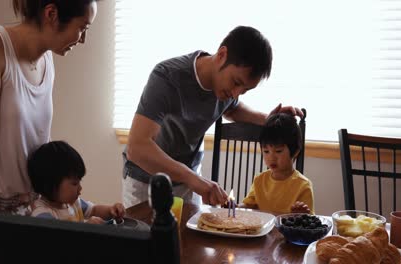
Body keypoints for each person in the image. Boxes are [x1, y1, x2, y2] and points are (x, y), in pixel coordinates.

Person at [123, 25, 304, 208]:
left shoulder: (225, 89)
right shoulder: (167, 77)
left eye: (244, 90)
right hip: (146, 182)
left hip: (187, 183)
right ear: (221, 55)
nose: (235, 94)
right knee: (150, 236)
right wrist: (193, 178)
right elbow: (137, 148)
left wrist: (270, 120)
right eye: (236, 83)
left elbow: (233, 109)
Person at [0, 0, 99, 214]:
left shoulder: (46, 60)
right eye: (82, 28)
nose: (83, 39)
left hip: (28, 205)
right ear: (51, 13)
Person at [28, 140, 125, 223]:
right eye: (74, 183)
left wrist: (111, 210)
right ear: (49, 184)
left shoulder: (74, 203)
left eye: (79, 181)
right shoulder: (42, 213)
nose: (80, 188)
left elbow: (94, 210)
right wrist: (86, 229)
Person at [241, 113, 314, 215]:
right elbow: (249, 206)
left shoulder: (303, 185)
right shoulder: (259, 180)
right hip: (262, 230)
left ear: (295, 152)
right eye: (266, 151)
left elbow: (309, 223)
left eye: (278, 151)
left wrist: (300, 215)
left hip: (287, 231)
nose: (271, 157)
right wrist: (233, 207)